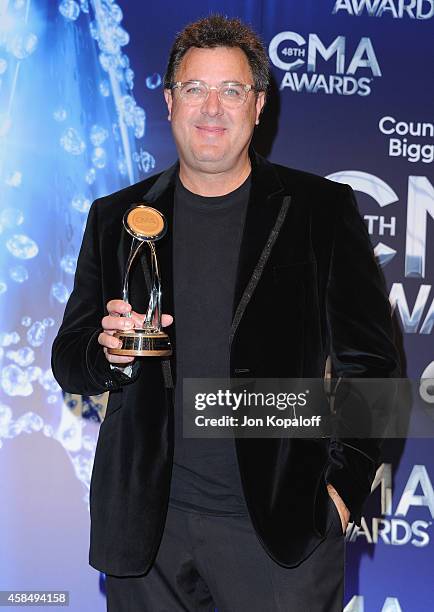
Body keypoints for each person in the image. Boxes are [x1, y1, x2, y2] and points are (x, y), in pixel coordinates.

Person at [51, 14, 399, 612]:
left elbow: (375, 367)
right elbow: (70, 361)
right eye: (195, 89)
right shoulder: (116, 217)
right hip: (147, 536)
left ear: (258, 104)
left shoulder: (320, 210)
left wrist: (340, 494)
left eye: (232, 90)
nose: (212, 108)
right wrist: (104, 353)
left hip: (279, 535)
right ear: (168, 101)